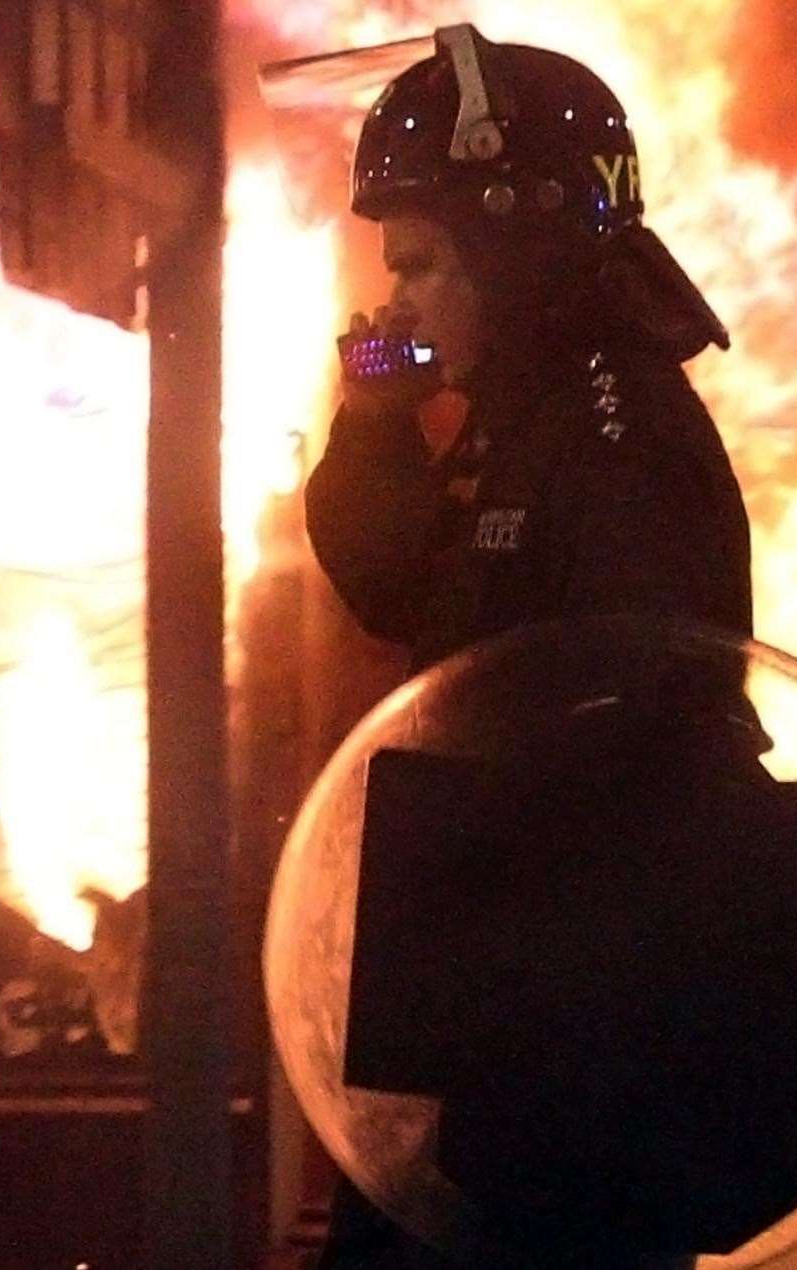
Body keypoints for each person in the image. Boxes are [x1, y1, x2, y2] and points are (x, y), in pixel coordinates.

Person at [304, 26, 761, 1270]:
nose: (395, 297)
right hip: (501, 1032)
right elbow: (397, 588)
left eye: (422, 262)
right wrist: (374, 423)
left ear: (513, 250)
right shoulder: (527, 414)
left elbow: (632, 740)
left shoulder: (610, 429)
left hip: (572, 1069)